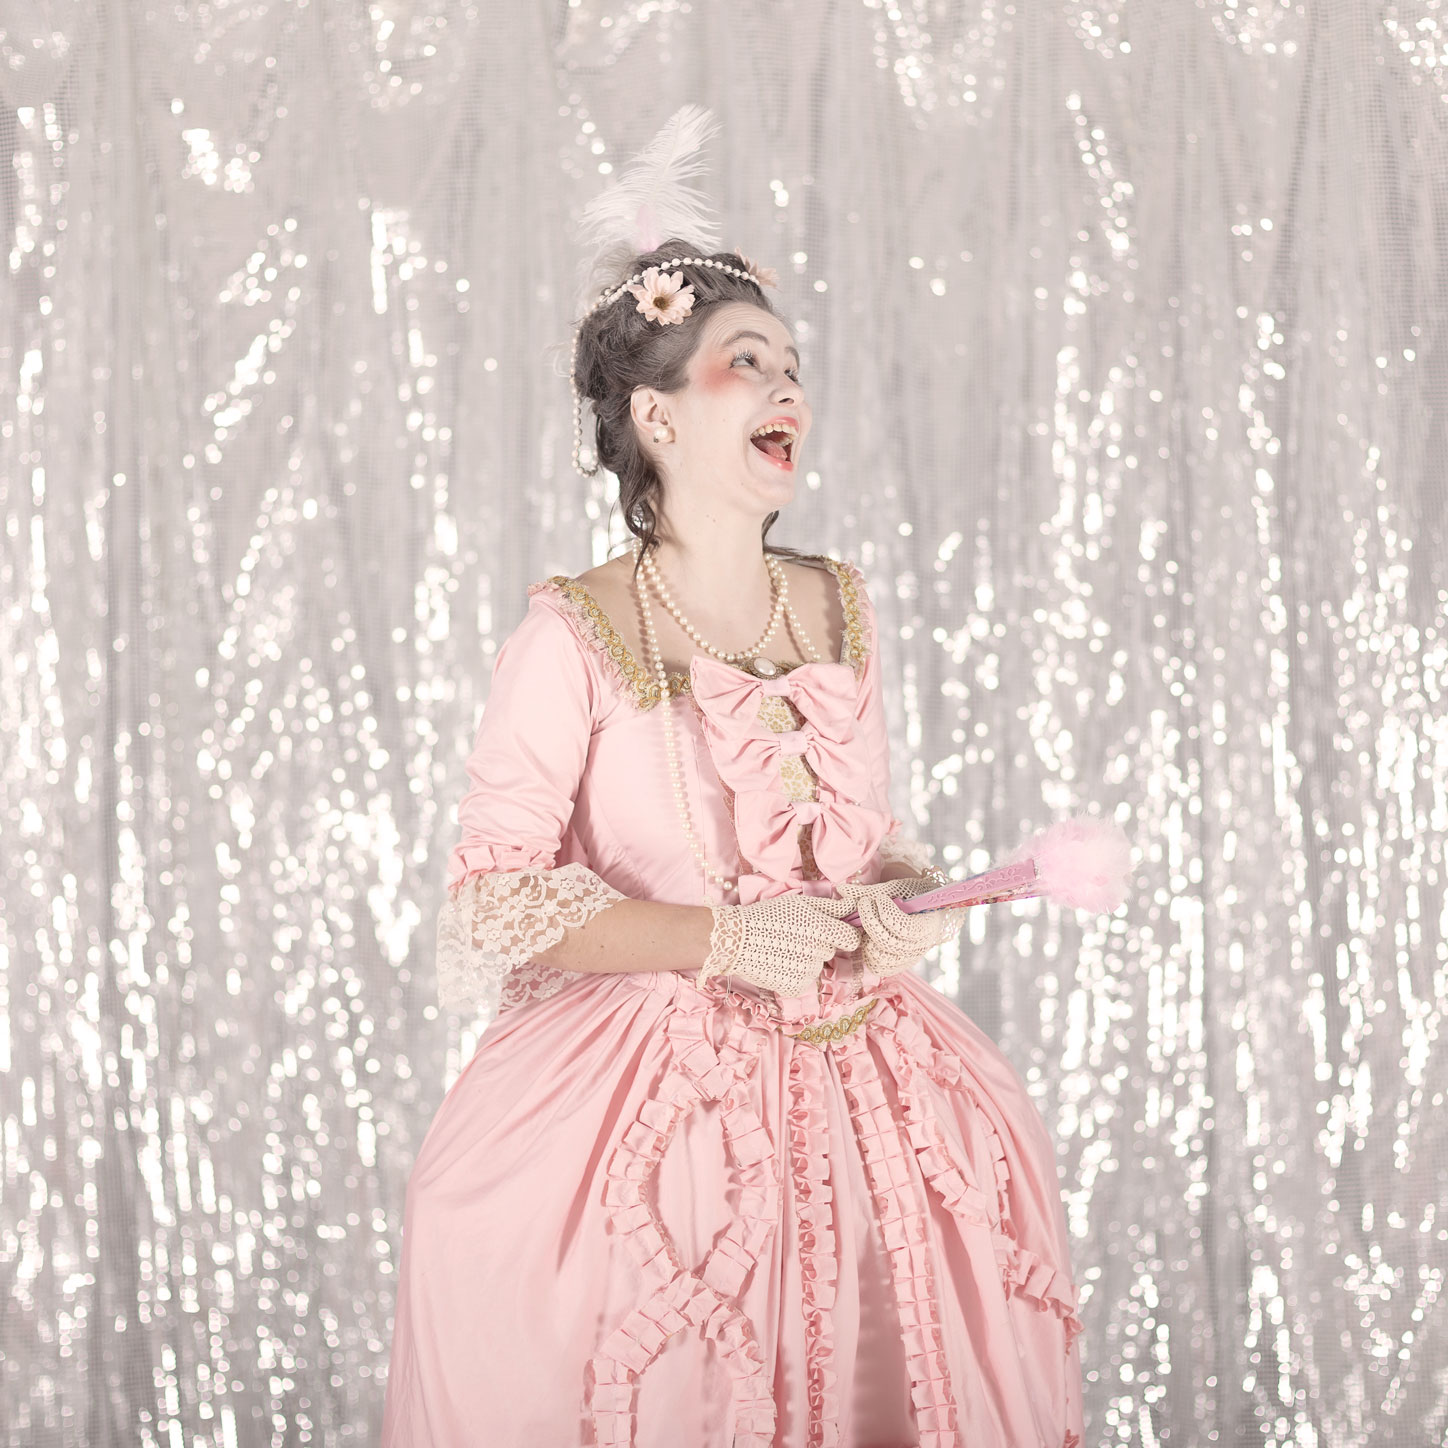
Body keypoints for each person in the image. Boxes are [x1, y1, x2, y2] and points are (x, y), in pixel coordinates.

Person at [379, 228, 1085, 1447]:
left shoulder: (837, 602)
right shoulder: (571, 634)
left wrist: (900, 897)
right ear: (654, 416)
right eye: (746, 362)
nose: (787, 388)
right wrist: (723, 938)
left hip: (869, 1084)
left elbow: (868, 838)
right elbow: (492, 897)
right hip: (648, 1099)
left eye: (793, 366)